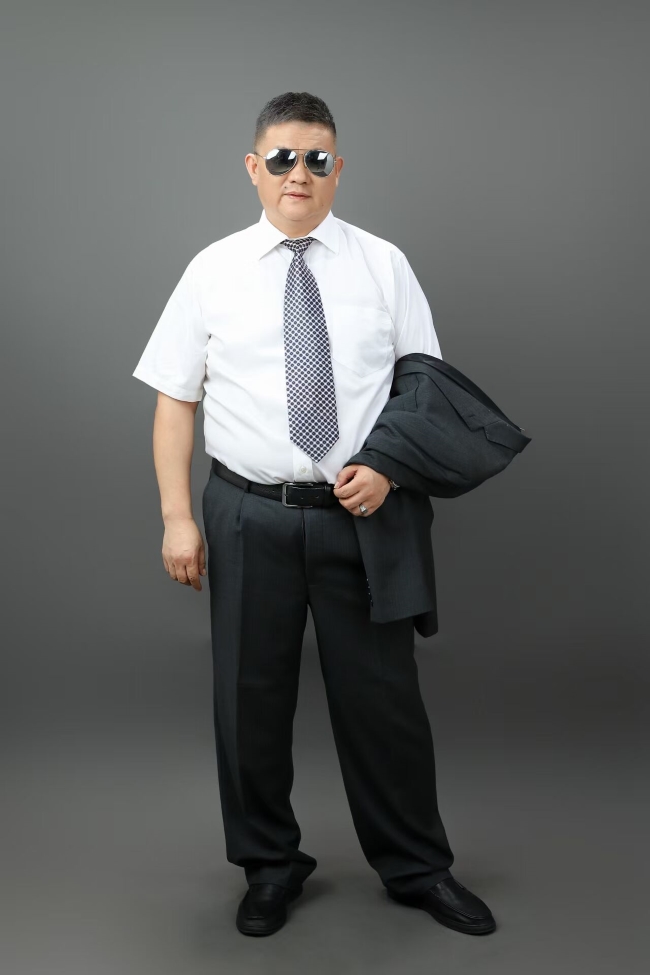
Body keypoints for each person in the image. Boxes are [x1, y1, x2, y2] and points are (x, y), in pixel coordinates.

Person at [132, 91, 496, 938]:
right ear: (254, 168)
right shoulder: (212, 270)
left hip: (359, 518)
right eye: (283, 157)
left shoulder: (383, 265)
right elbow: (175, 401)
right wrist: (177, 517)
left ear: (338, 169)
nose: (300, 172)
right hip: (247, 514)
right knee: (248, 700)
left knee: (383, 702)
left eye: (317, 158)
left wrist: (389, 466)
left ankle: (417, 865)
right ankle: (269, 866)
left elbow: (425, 389)